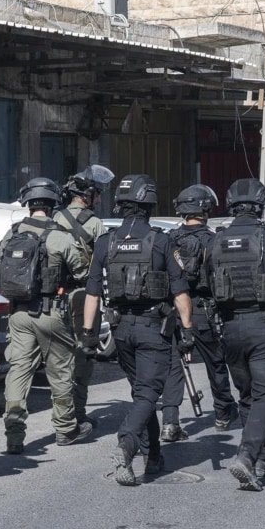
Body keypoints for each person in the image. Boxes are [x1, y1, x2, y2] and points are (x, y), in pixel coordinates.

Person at [79, 174, 195, 486]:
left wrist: (89, 336)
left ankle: (153, 455)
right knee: (148, 393)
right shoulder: (162, 240)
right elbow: (181, 293)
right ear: (149, 203)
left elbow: (92, 293)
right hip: (153, 329)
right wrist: (187, 331)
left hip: (119, 331)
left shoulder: (106, 242)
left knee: (141, 392)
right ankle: (126, 444)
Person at [207, 179, 265, 491]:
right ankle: (246, 455)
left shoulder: (215, 243)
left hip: (229, 330)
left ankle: (258, 466)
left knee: (249, 396)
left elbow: (208, 286)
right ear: (261, 205)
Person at [0, 177, 94, 454]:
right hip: (51, 313)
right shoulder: (59, 235)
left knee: (18, 372)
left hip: (17, 314)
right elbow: (81, 271)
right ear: (54, 203)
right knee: (61, 372)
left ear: (28, 202)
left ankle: (14, 435)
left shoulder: (11, 234)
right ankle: (65, 429)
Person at [157, 184, 238, 442]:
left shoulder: (169, 239)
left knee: (173, 368)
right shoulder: (213, 240)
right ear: (204, 209)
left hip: (172, 310)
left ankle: (170, 423)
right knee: (216, 362)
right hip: (202, 310)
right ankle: (223, 412)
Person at [56, 165, 113, 425]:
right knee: (84, 353)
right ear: (85, 196)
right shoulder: (94, 223)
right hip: (83, 297)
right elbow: (105, 263)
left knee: (58, 358)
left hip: (54, 299)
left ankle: (62, 413)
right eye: (97, 194)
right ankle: (77, 412)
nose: (99, 200)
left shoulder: (53, 219)